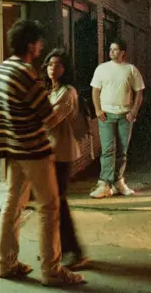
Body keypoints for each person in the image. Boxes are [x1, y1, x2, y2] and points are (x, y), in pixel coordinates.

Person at [0, 21, 85, 287]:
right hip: (33, 150)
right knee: (49, 207)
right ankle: (52, 270)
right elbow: (47, 116)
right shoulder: (26, 73)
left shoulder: (2, 70)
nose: (41, 48)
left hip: (13, 149)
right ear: (31, 44)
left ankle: (7, 263)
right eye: (39, 43)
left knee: (13, 205)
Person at [43, 48, 90, 271]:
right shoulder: (47, 90)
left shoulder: (67, 92)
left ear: (66, 68)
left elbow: (50, 121)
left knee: (59, 202)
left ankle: (74, 251)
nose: (53, 68)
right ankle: (58, 250)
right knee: (53, 203)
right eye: (50, 64)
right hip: (48, 152)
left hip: (62, 153)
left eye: (58, 64)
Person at [89, 39, 145, 199]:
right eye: (110, 49)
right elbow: (95, 90)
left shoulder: (131, 69)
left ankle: (119, 182)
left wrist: (134, 111)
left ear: (122, 53)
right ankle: (104, 184)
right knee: (108, 150)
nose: (111, 52)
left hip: (125, 116)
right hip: (106, 115)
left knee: (122, 151)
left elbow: (139, 92)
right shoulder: (102, 69)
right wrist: (98, 109)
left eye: (115, 50)